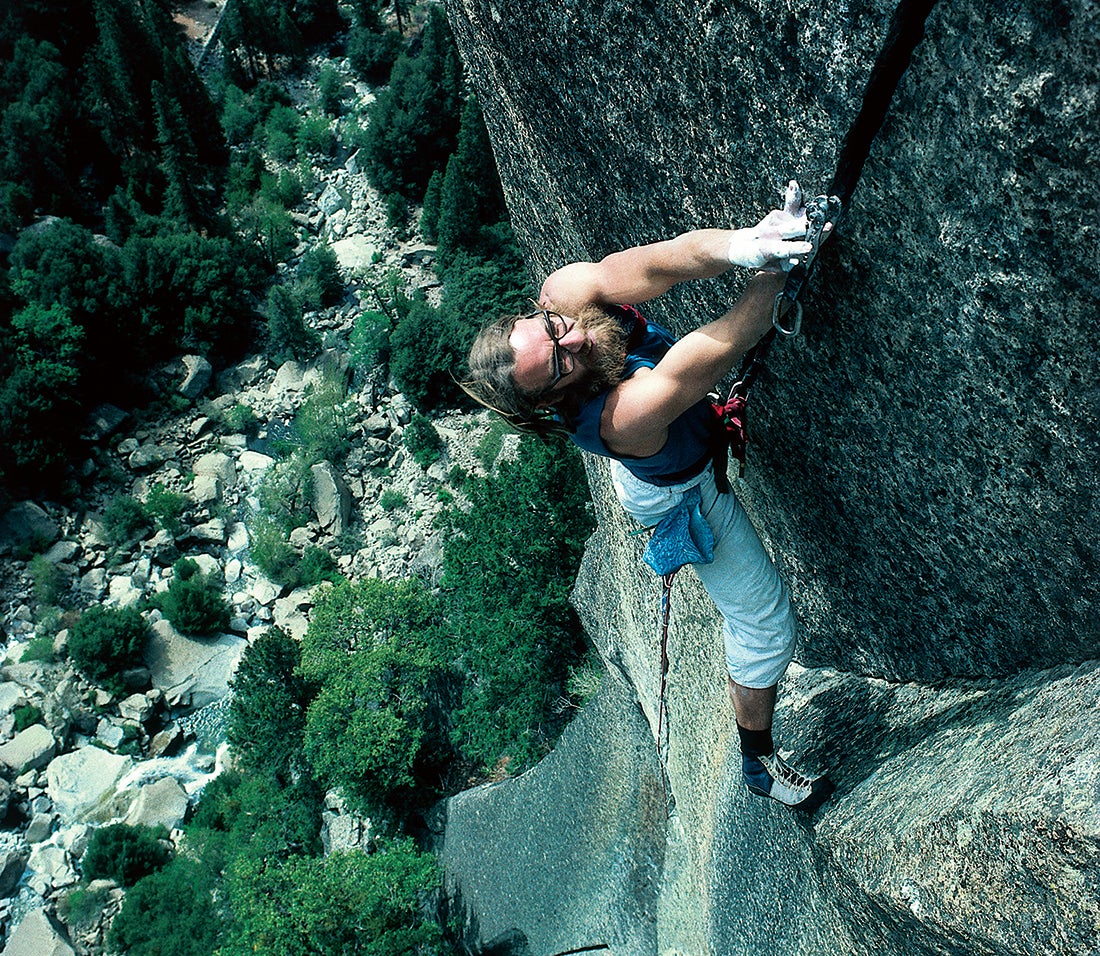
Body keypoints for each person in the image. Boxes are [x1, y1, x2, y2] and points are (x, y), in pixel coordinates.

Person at [464, 181, 833, 811]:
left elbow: (655, 264)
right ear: (553, 398)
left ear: (536, 313)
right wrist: (774, 274)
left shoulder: (564, 296)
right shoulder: (616, 420)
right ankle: (758, 762)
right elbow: (707, 354)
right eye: (558, 364)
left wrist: (747, 244)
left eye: (552, 330)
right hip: (676, 488)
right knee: (765, 624)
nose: (572, 340)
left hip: (657, 447)